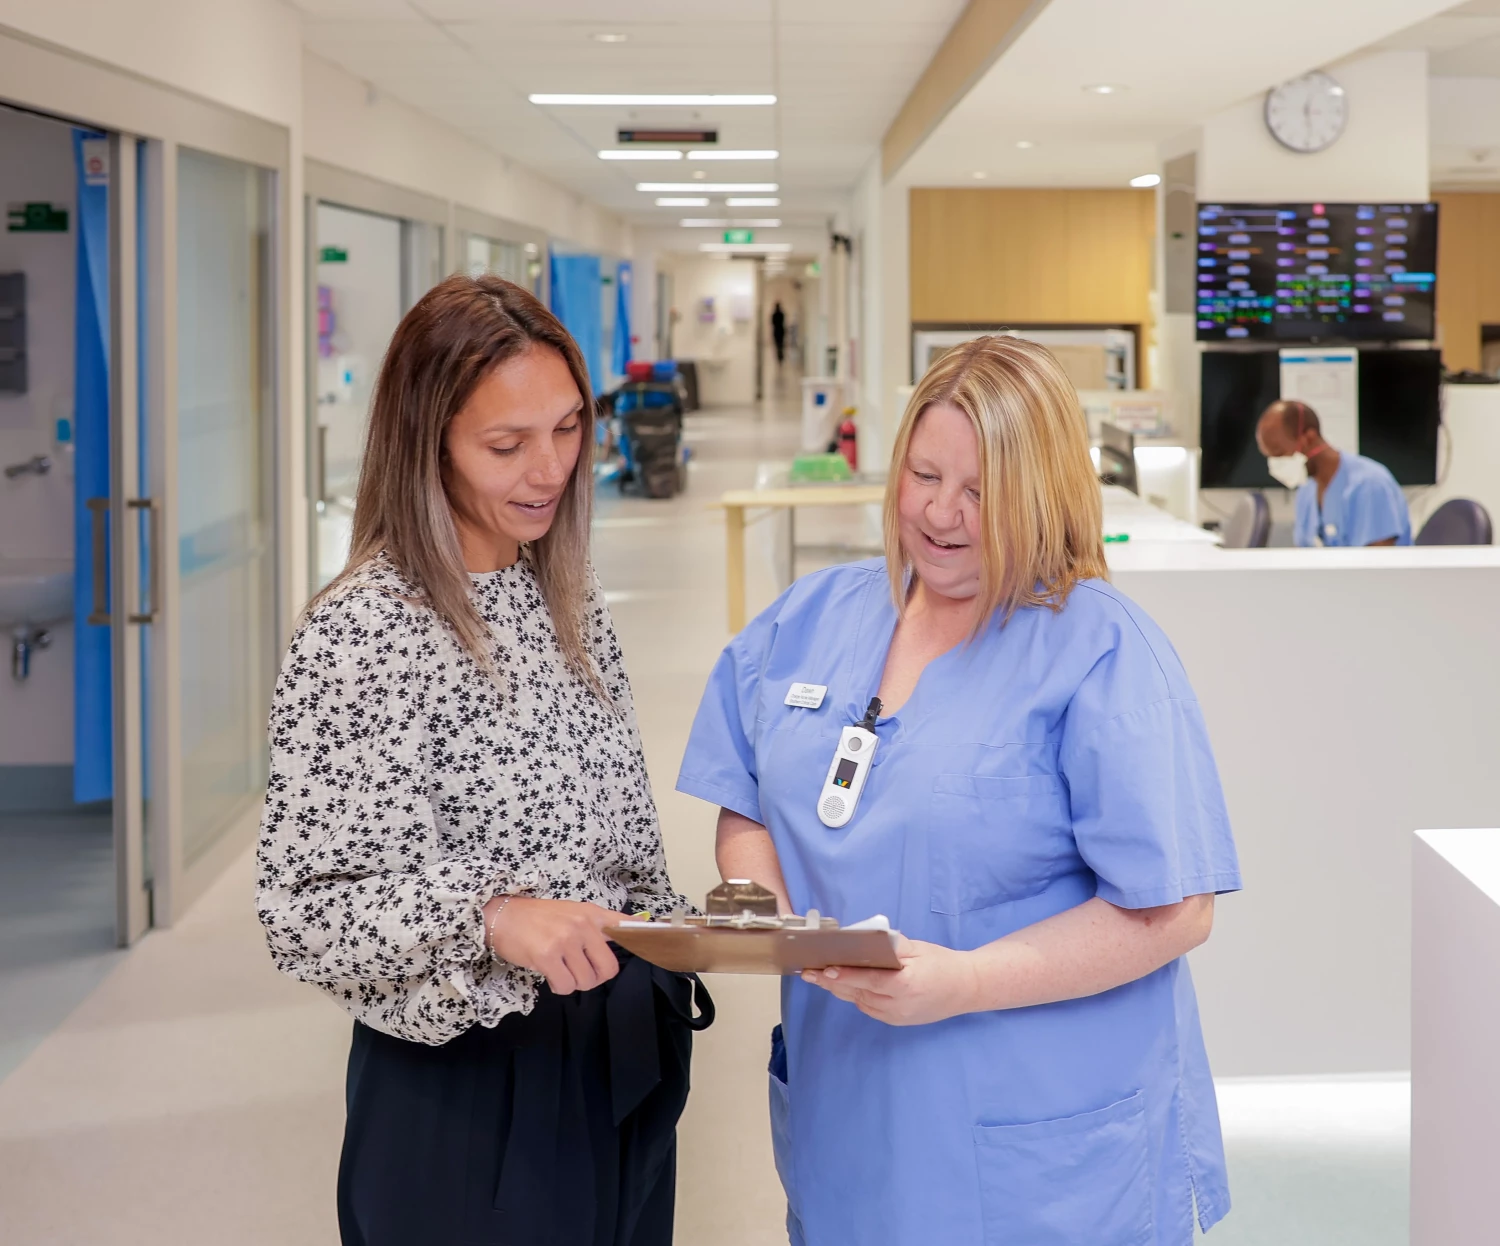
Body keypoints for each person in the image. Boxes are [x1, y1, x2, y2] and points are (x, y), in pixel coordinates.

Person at [677, 335, 1242, 1246]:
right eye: (923, 476)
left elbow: (1175, 911)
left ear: (1040, 493)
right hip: (852, 1108)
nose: (941, 513)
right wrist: (766, 910)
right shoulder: (815, 616)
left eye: (980, 492)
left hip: (1044, 1144)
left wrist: (969, 979)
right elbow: (744, 785)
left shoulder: (1100, 650)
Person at [256, 273, 710, 1246]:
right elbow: (306, 913)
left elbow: (623, 837)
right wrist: (492, 915)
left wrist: (684, 936)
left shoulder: (567, 600)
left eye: (567, 428)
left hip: (614, 1060)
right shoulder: (364, 633)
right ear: (429, 444)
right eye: (506, 445)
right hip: (468, 1096)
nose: (548, 468)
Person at [1256, 398, 1411, 546]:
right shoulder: (1306, 490)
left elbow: (1378, 567)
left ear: (1308, 438)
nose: (1275, 465)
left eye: (1278, 454)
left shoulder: (1370, 485)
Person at [770, 300, 787, 364]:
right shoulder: (781, 314)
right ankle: (780, 356)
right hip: (780, 330)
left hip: (777, 331)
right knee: (780, 345)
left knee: (778, 345)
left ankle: (779, 356)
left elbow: (773, 323)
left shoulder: (775, 314)